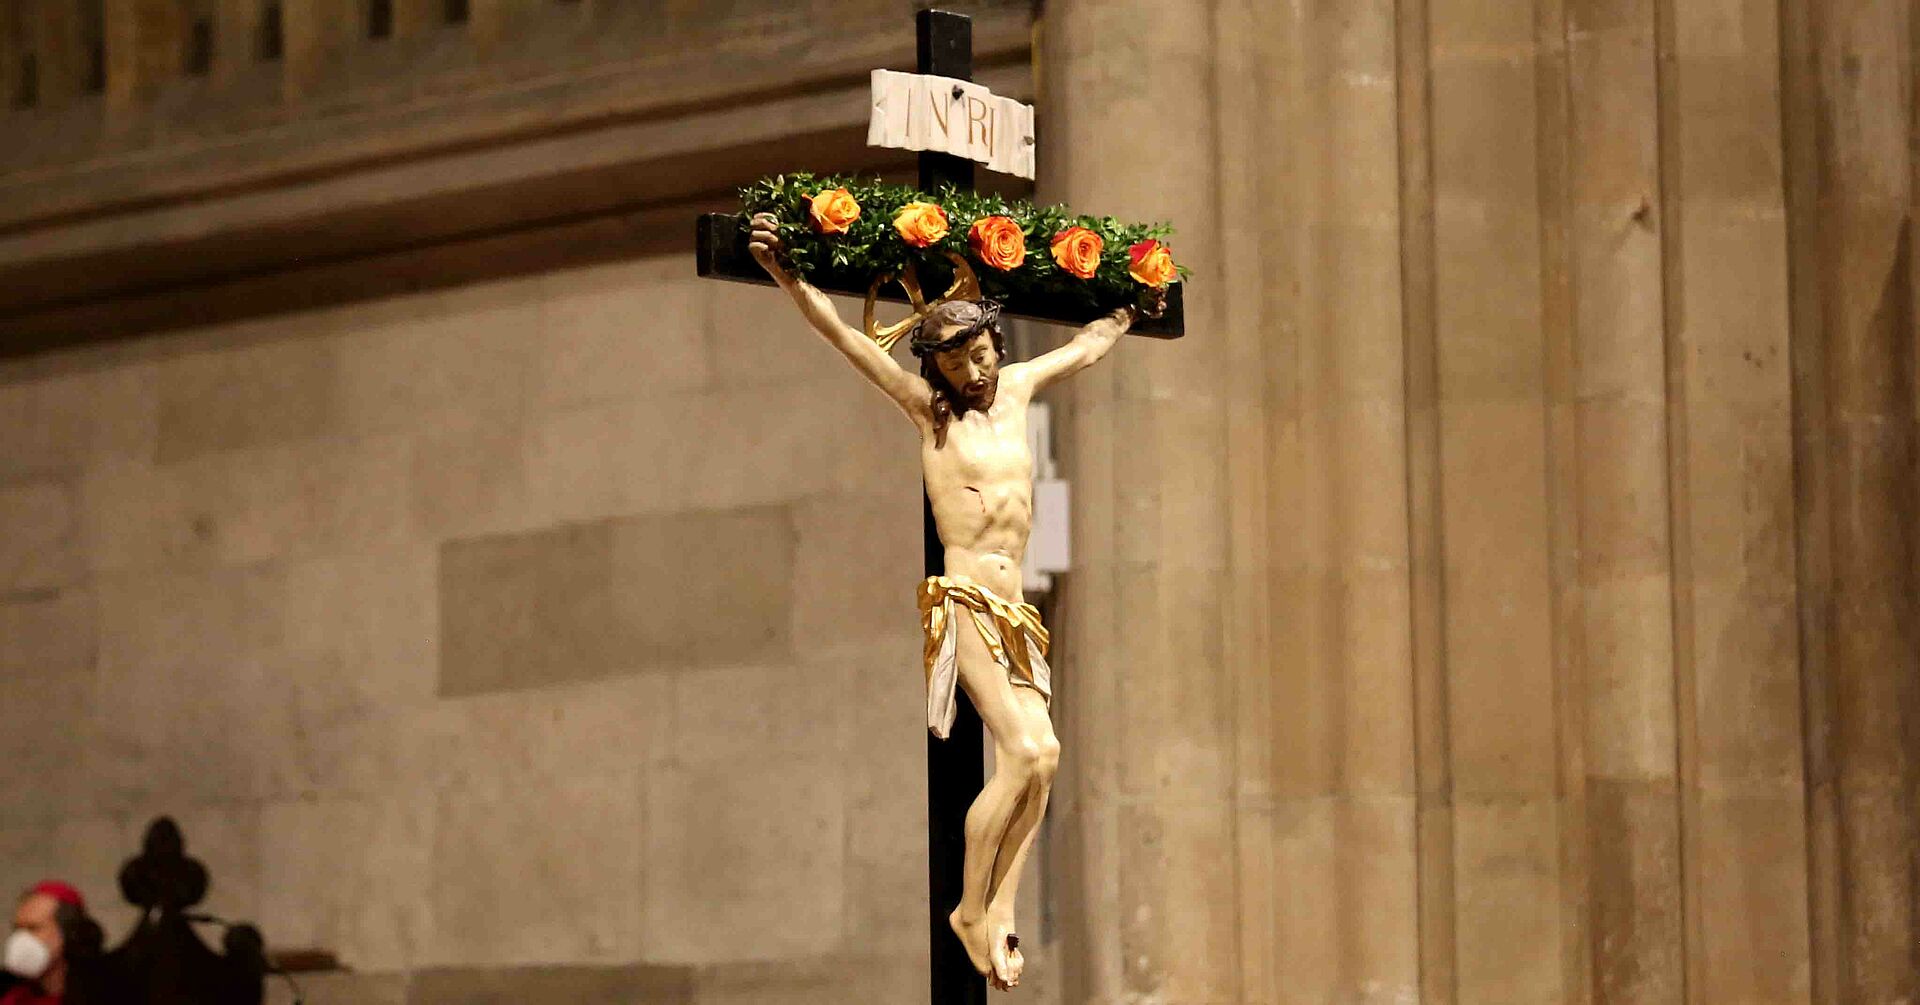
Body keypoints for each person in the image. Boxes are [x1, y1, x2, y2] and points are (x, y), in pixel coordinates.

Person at [749, 212, 1136, 990]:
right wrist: (792, 278)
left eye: (987, 352)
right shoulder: (928, 413)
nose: (981, 369)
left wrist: (1128, 311)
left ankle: (1002, 910)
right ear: (941, 368)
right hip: (965, 598)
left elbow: (1085, 348)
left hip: (1017, 605)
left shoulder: (1019, 390)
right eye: (963, 361)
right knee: (1023, 751)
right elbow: (849, 341)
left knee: (1047, 757)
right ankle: (968, 907)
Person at [1, 882, 95, 1005]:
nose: (21, 939)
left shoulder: (105, 994)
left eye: (33, 928)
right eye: (17, 929)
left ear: (69, 933)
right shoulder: (10, 997)